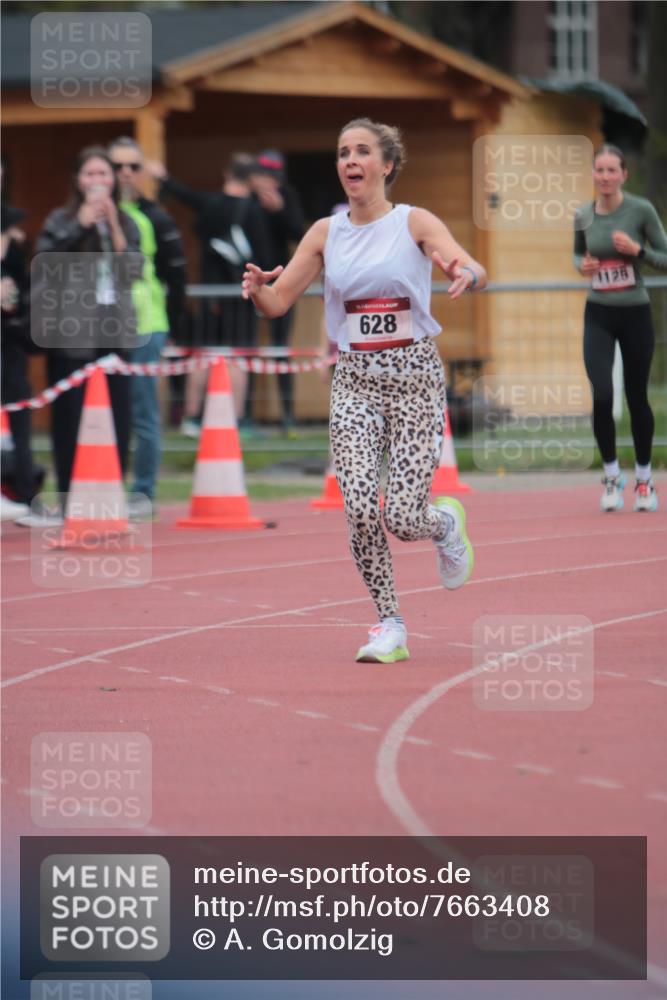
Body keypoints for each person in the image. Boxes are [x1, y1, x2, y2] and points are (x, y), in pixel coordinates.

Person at [242, 118, 486, 663]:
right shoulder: (326, 233)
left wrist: (465, 269)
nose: (350, 160)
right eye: (342, 153)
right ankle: (390, 624)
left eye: (361, 152)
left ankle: (443, 523)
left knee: (402, 517)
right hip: (354, 381)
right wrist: (258, 291)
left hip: (415, 380)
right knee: (356, 507)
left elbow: (465, 259)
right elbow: (279, 302)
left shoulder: (413, 221)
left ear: (386, 165)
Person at [22, 146, 142, 526]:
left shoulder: (127, 220)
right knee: (71, 418)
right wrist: (82, 224)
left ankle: (110, 494)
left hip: (114, 332)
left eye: (103, 175)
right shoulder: (61, 219)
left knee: (117, 417)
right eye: (90, 174)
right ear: (78, 180)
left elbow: (133, 270)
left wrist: (115, 227)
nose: (98, 182)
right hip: (72, 335)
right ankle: (72, 498)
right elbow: (46, 263)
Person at [574, 144, 667, 512]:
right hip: (598, 312)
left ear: (624, 175)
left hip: (635, 313)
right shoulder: (583, 214)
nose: (606, 177)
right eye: (600, 170)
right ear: (593, 175)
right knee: (600, 395)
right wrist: (582, 265)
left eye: (613, 170)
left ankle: (644, 480)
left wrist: (636, 251)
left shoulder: (640, 210)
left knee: (636, 395)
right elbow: (576, 253)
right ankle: (612, 476)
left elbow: (665, 256)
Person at [147, 154, 272, 424]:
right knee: (238, 357)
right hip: (241, 295)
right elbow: (264, 253)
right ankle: (236, 419)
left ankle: (192, 416)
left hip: (208, 294)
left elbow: (185, 195)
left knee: (202, 354)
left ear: (227, 173)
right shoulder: (253, 211)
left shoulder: (210, 203)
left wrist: (163, 177)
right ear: (251, 179)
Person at [108, 136, 188, 518]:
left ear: (143, 173)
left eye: (133, 166)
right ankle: (102, 490)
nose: (125, 173)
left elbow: (177, 274)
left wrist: (170, 324)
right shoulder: (86, 213)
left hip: (144, 325)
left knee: (142, 413)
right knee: (104, 412)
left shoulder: (153, 217)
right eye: (117, 166)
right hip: (98, 329)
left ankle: (142, 493)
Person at [249, 150, 305, 432]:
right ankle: (245, 414)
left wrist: (279, 210)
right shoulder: (247, 200)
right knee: (244, 348)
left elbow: (300, 234)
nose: (268, 181)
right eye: (264, 175)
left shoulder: (287, 196)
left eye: (274, 176)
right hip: (249, 281)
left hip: (280, 283)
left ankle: (287, 414)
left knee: (280, 347)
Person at [1, 200, 37, 520]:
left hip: (12, 349)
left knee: (19, 419)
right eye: (13, 230)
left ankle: (23, 491)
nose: (20, 235)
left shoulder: (14, 266)